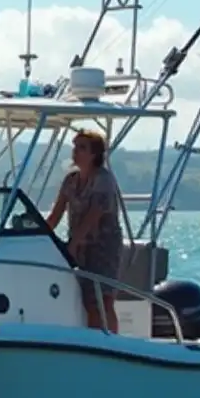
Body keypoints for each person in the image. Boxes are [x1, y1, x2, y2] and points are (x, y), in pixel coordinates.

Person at [46, 128, 125, 332]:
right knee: (88, 301)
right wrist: (37, 235)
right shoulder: (70, 181)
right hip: (79, 247)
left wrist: (73, 244)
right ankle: (94, 340)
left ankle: (112, 343)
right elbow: (55, 215)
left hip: (103, 247)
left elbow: (93, 215)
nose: (76, 151)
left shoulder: (103, 180)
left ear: (94, 154)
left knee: (104, 299)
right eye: (75, 147)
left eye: (82, 147)